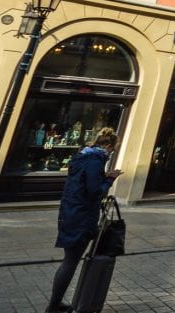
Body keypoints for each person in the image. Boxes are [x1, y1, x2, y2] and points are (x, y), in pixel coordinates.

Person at [46, 127, 122, 313]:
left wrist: (102, 178)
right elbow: (95, 191)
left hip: (71, 212)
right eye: (112, 149)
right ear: (107, 146)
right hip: (81, 215)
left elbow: (84, 183)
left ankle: (55, 304)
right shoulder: (96, 161)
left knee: (70, 260)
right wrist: (110, 179)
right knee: (70, 261)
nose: (112, 153)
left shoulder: (82, 157)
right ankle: (53, 306)